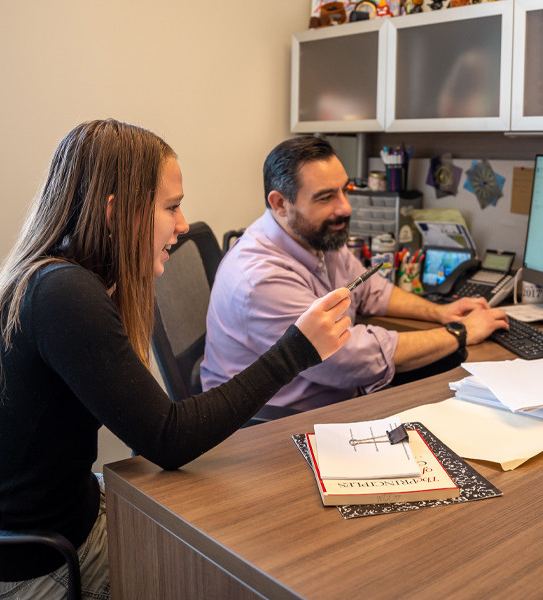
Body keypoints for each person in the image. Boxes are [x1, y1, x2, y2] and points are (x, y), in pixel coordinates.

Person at [0, 120, 353, 599]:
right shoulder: (64, 295)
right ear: (115, 212)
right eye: (172, 206)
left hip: (64, 523)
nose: (183, 225)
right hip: (42, 567)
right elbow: (169, 438)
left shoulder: (65, 278)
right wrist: (297, 350)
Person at [201, 136, 508, 411]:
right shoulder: (260, 279)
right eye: (325, 197)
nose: (345, 208)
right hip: (277, 427)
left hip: (333, 393)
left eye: (344, 191)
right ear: (280, 203)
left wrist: (441, 313)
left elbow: (371, 288)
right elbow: (346, 358)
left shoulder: (316, 236)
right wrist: (461, 332)